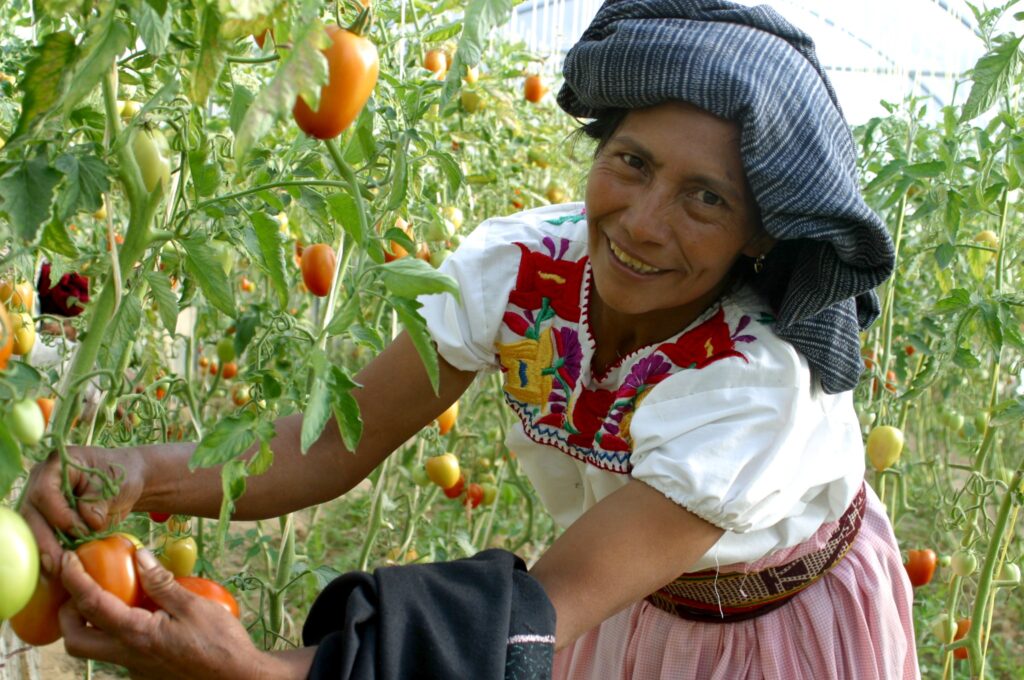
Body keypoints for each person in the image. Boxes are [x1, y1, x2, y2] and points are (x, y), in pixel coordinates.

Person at [20, 1, 919, 678]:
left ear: (762, 235)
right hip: (620, 606)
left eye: (706, 197)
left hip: (773, 628)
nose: (644, 223)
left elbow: (552, 604)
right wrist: (145, 472)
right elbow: (335, 441)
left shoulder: (755, 383)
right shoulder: (520, 267)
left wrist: (267, 672)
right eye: (632, 162)